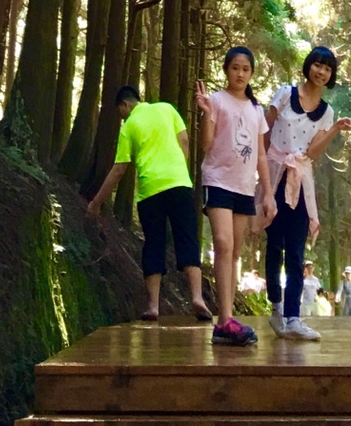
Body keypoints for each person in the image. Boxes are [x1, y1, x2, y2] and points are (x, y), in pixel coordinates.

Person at [87, 85, 214, 323]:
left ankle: (153, 306)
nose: (122, 116)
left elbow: (119, 169)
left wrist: (96, 203)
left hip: (150, 191)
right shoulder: (167, 109)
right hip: (179, 184)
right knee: (187, 239)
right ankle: (197, 297)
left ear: (125, 105)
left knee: (154, 244)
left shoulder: (130, 126)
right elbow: (185, 140)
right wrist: (177, 167)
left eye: (120, 112)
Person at [263, 45, 351, 341]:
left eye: (327, 69)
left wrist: (335, 130)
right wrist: (261, 174)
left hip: (300, 181)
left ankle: (294, 317)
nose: (321, 71)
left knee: (295, 249)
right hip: (275, 174)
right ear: (309, 66)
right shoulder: (284, 93)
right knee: (273, 243)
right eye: (317, 65)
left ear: (331, 75)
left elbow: (313, 153)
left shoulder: (326, 112)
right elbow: (264, 129)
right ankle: (276, 308)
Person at [195, 46, 273, 347]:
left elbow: (262, 156)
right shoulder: (216, 100)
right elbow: (206, 144)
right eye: (235, 68)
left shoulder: (256, 110)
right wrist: (205, 113)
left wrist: (267, 194)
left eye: (245, 69)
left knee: (235, 251)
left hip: (244, 186)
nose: (240, 73)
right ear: (226, 70)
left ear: (251, 73)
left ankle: (226, 320)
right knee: (223, 244)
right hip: (218, 181)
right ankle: (224, 319)